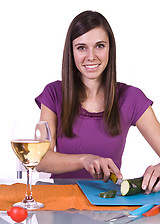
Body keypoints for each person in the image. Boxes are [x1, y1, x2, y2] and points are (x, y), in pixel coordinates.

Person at [35, 10, 160, 194]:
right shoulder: (53, 94)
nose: (91, 56)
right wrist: (84, 160)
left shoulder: (132, 98)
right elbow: (40, 160)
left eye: (99, 46)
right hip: (60, 205)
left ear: (110, 48)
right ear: (71, 52)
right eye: (81, 47)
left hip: (107, 205)